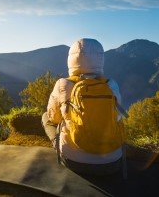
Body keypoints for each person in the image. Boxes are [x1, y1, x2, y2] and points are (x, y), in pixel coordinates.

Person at [42, 38, 123, 175]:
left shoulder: (64, 84)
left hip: (75, 161)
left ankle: (59, 147)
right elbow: (118, 117)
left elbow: (54, 118)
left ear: (72, 59)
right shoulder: (111, 85)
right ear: (100, 59)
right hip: (113, 161)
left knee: (46, 117)